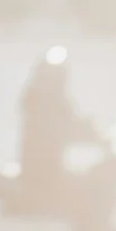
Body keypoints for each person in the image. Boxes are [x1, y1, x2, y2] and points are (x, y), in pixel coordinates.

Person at [16, 45, 101, 219]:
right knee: (87, 192)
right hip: (41, 174)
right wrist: (92, 134)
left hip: (47, 169)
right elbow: (63, 126)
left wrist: (95, 133)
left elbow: (71, 123)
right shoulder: (42, 103)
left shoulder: (48, 101)